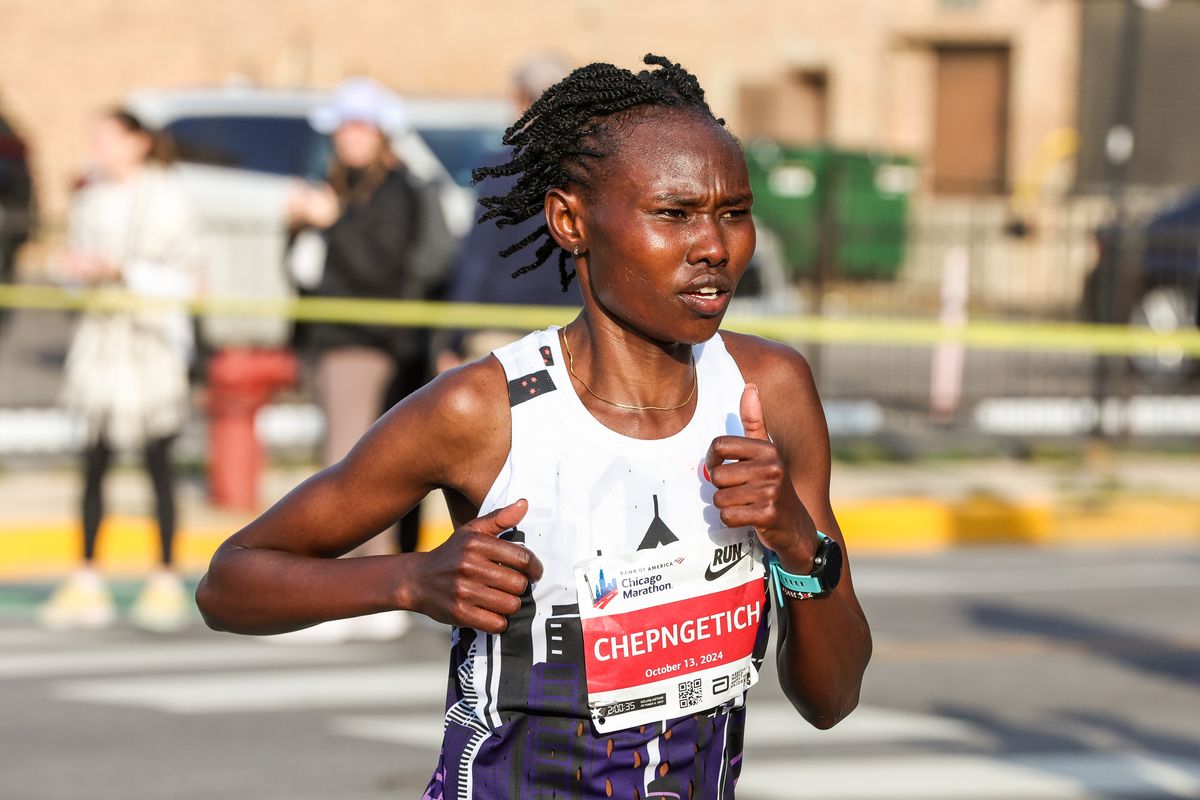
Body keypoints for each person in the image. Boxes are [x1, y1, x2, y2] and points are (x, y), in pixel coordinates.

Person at [197, 55, 871, 797]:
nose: (713, 246)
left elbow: (832, 700)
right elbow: (229, 583)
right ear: (571, 221)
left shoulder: (769, 391)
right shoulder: (483, 412)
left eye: (733, 213)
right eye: (673, 215)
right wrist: (408, 579)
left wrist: (798, 542)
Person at [38, 109, 200, 633]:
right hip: (101, 346)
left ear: (137, 142)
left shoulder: (170, 197)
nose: (97, 146)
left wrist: (125, 271)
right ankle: (86, 577)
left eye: (106, 135)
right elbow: (71, 274)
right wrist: (73, 272)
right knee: (94, 459)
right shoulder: (90, 199)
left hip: (153, 346)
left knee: (158, 461)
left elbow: (190, 279)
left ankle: (165, 577)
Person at [283, 78, 426, 642]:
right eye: (342, 128)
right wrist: (300, 226)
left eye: (359, 126)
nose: (348, 137)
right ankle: (375, 595)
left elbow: (379, 268)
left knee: (345, 466)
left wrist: (330, 221)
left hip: (365, 340)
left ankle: (341, 598)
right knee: (356, 465)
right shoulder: (339, 184)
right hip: (329, 337)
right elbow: (307, 272)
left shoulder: (397, 190)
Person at [436, 53, 575, 373]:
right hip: (573, 333)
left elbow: (478, 259)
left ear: (521, 100)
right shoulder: (591, 170)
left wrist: (452, 338)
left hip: (501, 332)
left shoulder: (502, 170)